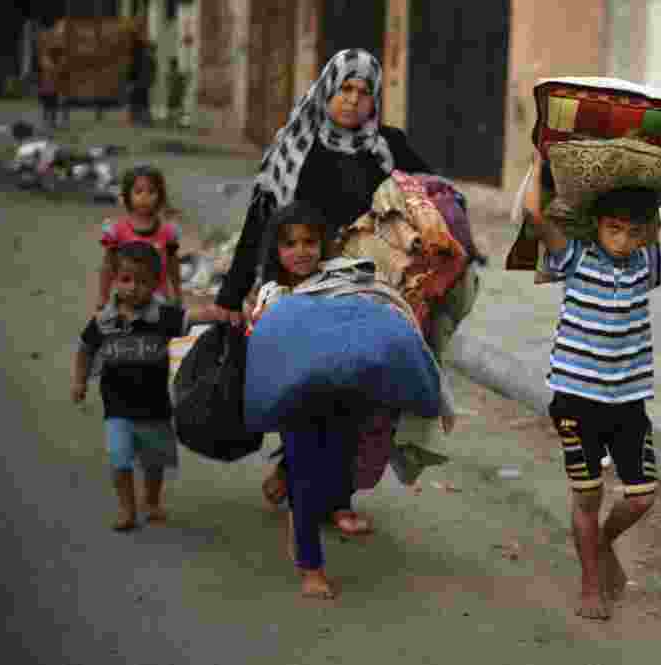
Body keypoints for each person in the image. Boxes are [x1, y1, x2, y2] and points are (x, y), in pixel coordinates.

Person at [209, 48, 434, 534]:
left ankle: (337, 496)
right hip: (299, 289)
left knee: (356, 393)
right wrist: (231, 295)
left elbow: (432, 198)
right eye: (344, 90)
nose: (352, 102)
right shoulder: (296, 145)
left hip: (361, 291)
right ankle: (296, 467)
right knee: (306, 390)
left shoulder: (387, 147)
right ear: (326, 91)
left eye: (363, 92)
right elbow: (260, 223)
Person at [524, 147, 661, 621]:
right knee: (588, 495)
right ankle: (591, 584)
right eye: (614, 228)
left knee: (641, 496)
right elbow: (534, 212)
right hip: (576, 399)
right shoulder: (573, 258)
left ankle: (603, 544)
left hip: (628, 402)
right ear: (596, 226)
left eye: (635, 231)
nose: (624, 239)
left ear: (647, 233)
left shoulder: (646, 265)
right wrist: (538, 162)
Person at [247, 200, 455, 597]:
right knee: (308, 482)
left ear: (324, 244)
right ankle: (311, 566)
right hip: (300, 403)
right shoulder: (273, 295)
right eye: (290, 244)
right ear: (275, 250)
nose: (301, 251)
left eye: (309, 241)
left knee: (338, 472)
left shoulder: (346, 279)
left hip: (346, 399)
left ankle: (294, 495)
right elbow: (265, 346)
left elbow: (377, 312)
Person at [72, 242, 218, 531]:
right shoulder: (105, 321)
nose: (133, 287)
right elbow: (85, 348)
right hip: (117, 407)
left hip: (154, 408)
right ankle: (127, 508)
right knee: (119, 458)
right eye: (126, 279)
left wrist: (224, 311)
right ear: (115, 279)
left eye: (142, 282)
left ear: (155, 284)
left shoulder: (162, 316)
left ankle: (151, 500)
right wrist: (80, 380)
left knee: (154, 462)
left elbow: (195, 316)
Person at [97, 165, 182, 313]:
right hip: (125, 300)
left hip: (158, 300)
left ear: (160, 196)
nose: (144, 197)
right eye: (138, 192)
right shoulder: (116, 232)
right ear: (127, 195)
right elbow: (108, 266)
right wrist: (102, 296)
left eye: (151, 192)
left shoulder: (168, 233)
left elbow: (172, 265)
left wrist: (177, 292)